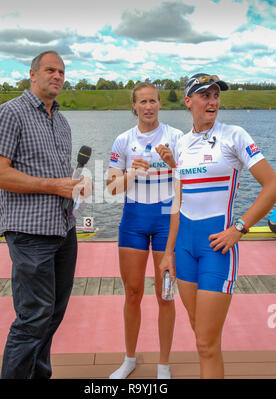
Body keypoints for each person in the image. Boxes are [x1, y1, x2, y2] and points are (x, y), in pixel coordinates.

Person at [159, 73, 276, 379]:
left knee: (207, 344)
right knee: (202, 337)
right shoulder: (180, 144)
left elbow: (272, 185)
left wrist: (240, 227)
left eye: (215, 95)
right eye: (204, 95)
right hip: (183, 248)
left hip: (216, 247)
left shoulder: (234, 135)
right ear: (188, 101)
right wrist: (168, 251)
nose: (212, 102)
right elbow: (178, 202)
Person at [0, 51, 92, 379]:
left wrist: (75, 186)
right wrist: (53, 186)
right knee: (33, 318)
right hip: (29, 233)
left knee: (52, 316)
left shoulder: (61, 121)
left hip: (64, 229)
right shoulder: (9, 113)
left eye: (61, 71)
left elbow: (58, 178)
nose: (57, 76)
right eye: (50, 70)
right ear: (32, 74)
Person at [106, 82, 183, 379]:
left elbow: (188, 181)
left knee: (165, 295)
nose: (148, 106)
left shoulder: (176, 137)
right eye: (143, 102)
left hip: (165, 221)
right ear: (134, 106)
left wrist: (172, 162)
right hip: (134, 221)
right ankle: (129, 359)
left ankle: (163, 365)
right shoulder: (123, 141)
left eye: (153, 101)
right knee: (133, 293)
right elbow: (111, 188)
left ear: (160, 104)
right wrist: (130, 173)